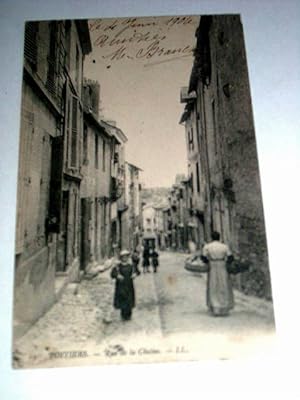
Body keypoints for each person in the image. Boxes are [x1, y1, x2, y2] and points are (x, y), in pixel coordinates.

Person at [201, 231, 234, 317]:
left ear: (211, 237)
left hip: (212, 265)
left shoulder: (207, 246)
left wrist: (208, 261)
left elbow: (203, 257)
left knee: (213, 285)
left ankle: (215, 306)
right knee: (223, 284)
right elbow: (230, 257)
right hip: (222, 265)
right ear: (219, 237)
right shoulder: (224, 246)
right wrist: (226, 262)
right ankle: (224, 306)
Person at [111, 249, 140, 321]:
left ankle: (129, 314)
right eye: (123, 257)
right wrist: (117, 276)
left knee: (129, 299)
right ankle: (123, 314)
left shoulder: (131, 266)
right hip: (120, 286)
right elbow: (112, 274)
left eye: (126, 257)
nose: (125, 258)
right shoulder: (118, 266)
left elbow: (137, 271)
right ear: (121, 258)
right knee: (122, 299)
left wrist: (135, 274)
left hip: (129, 285)